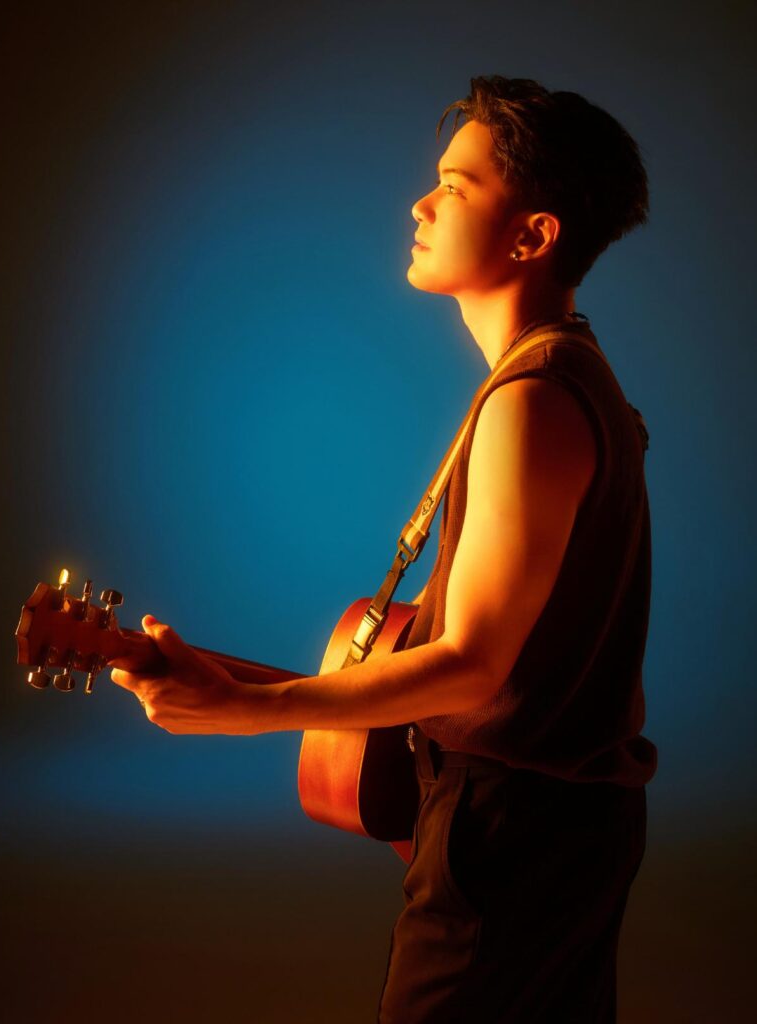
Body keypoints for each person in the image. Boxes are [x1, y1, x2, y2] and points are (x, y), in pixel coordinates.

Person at [110, 75, 657, 1022]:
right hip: (555, 828)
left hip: (508, 837)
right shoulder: (560, 375)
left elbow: (473, 667)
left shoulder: (533, 400)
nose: (419, 203)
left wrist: (247, 711)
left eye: (455, 184)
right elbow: (520, 664)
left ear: (532, 237)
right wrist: (232, 687)